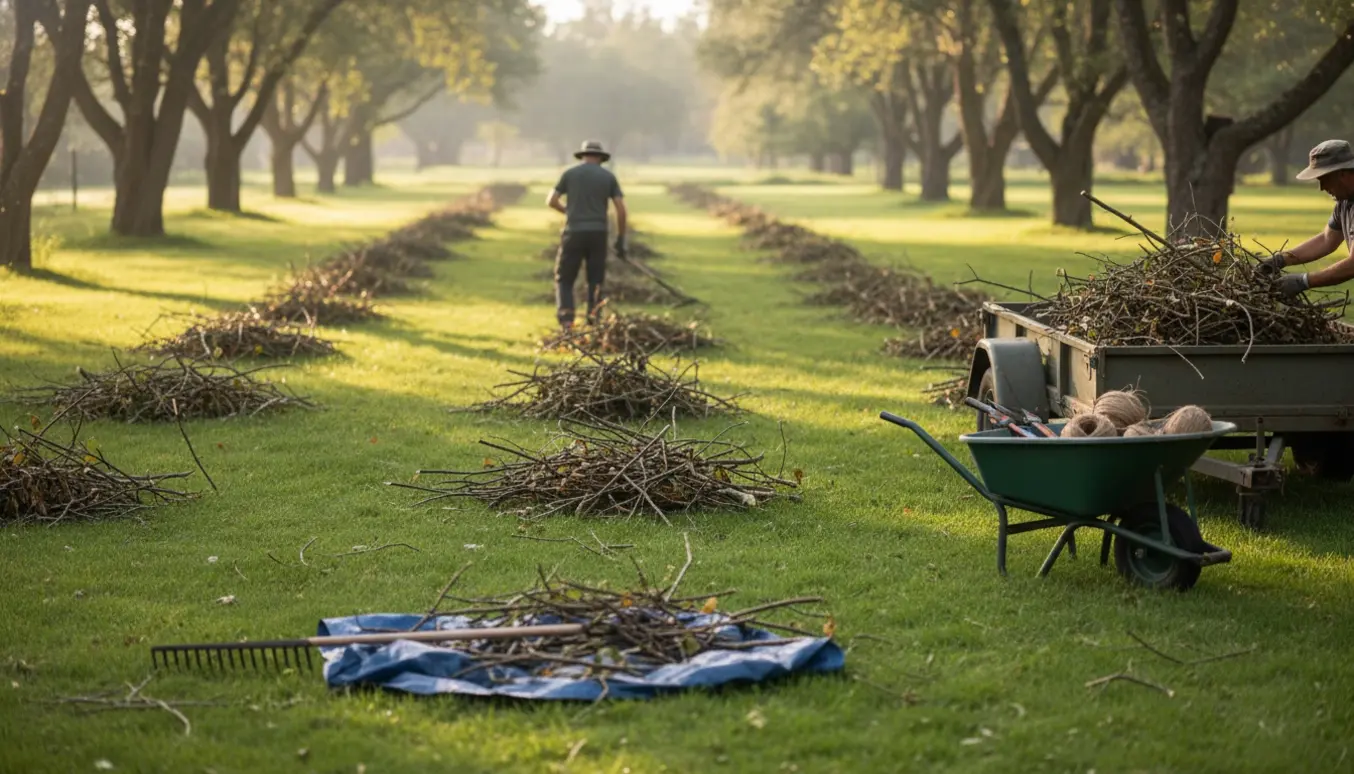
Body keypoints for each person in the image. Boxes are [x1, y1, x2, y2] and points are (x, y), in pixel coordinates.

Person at [546, 139, 628, 329]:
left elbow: (551, 200)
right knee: (595, 279)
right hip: (598, 233)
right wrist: (621, 240)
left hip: (573, 232)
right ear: (600, 158)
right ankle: (593, 321)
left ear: (583, 156)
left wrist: (569, 212)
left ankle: (567, 320)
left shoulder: (569, 174)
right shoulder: (608, 177)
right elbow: (621, 210)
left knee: (565, 278)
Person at [1261, 139, 1354, 297]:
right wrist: (1281, 259)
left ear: (1342, 173)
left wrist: (1303, 281)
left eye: (1324, 179)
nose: (1322, 187)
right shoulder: (1344, 202)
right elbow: (1326, 240)